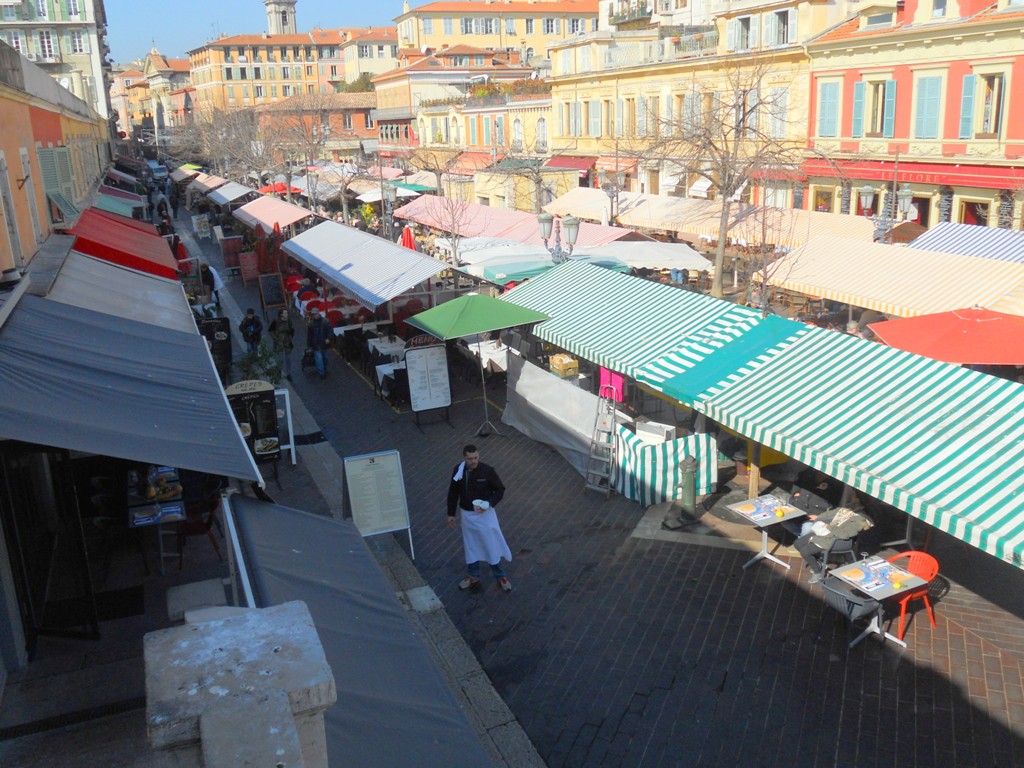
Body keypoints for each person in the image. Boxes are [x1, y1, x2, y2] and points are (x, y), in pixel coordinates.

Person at [447, 444, 512, 592]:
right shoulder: (458, 470)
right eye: (470, 459)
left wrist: (488, 503)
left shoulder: (487, 470)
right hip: (467, 515)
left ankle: (500, 575)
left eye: (475, 457)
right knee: (471, 545)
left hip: (485, 514)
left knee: (491, 543)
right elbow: (453, 492)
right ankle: (473, 575)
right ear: (464, 458)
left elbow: (500, 490)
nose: (473, 461)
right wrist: (451, 514)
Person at [794, 507, 873, 583]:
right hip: (825, 533)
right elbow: (830, 513)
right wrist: (818, 517)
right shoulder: (845, 511)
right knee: (797, 543)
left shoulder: (859, 522)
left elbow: (844, 534)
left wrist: (829, 527)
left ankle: (817, 571)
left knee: (805, 552)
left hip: (835, 540)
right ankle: (818, 562)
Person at [268, 308, 295, 381]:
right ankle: (279, 371)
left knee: (288, 359)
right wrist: (275, 338)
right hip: (279, 343)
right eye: (285, 313)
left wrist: (290, 337)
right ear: (281, 314)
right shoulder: (276, 321)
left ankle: (289, 374)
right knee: (280, 359)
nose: (287, 314)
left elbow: (292, 330)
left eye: (287, 313)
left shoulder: (289, 321)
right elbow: (270, 330)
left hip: (287, 342)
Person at [306, 306, 333, 379]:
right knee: (319, 359)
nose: (315, 315)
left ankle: (323, 370)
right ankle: (322, 373)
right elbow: (309, 335)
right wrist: (309, 344)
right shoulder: (311, 324)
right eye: (313, 314)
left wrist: (328, 338)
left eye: (316, 314)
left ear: (318, 313)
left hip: (324, 343)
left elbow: (330, 331)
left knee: (324, 358)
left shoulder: (325, 321)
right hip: (316, 344)